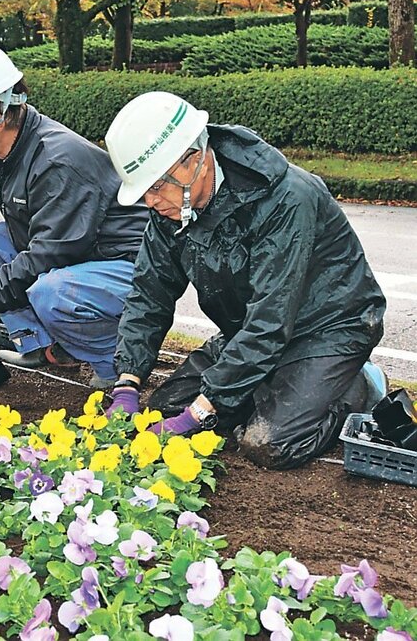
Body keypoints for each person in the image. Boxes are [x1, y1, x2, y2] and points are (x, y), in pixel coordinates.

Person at [102, 91, 387, 469]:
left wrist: (200, 412)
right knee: (162, 410)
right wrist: (128, 380)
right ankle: (274, 385)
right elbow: (149, 294)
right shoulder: (172, 207)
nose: (151, 202)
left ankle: (359, 385)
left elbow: (270, 322)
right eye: (144, 192)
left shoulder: (287, 199)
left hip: (330, 327)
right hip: (250, 329)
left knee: (269, 443)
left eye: (155, 187)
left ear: (193, 162)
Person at [0, 42, 150, 388]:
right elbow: (38, 227)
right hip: (87, 252)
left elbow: (49, 255)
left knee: (51, 292)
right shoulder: (14, 147)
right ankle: (43, 346)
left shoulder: (56, 159)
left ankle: (116, 368)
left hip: (132, 267)